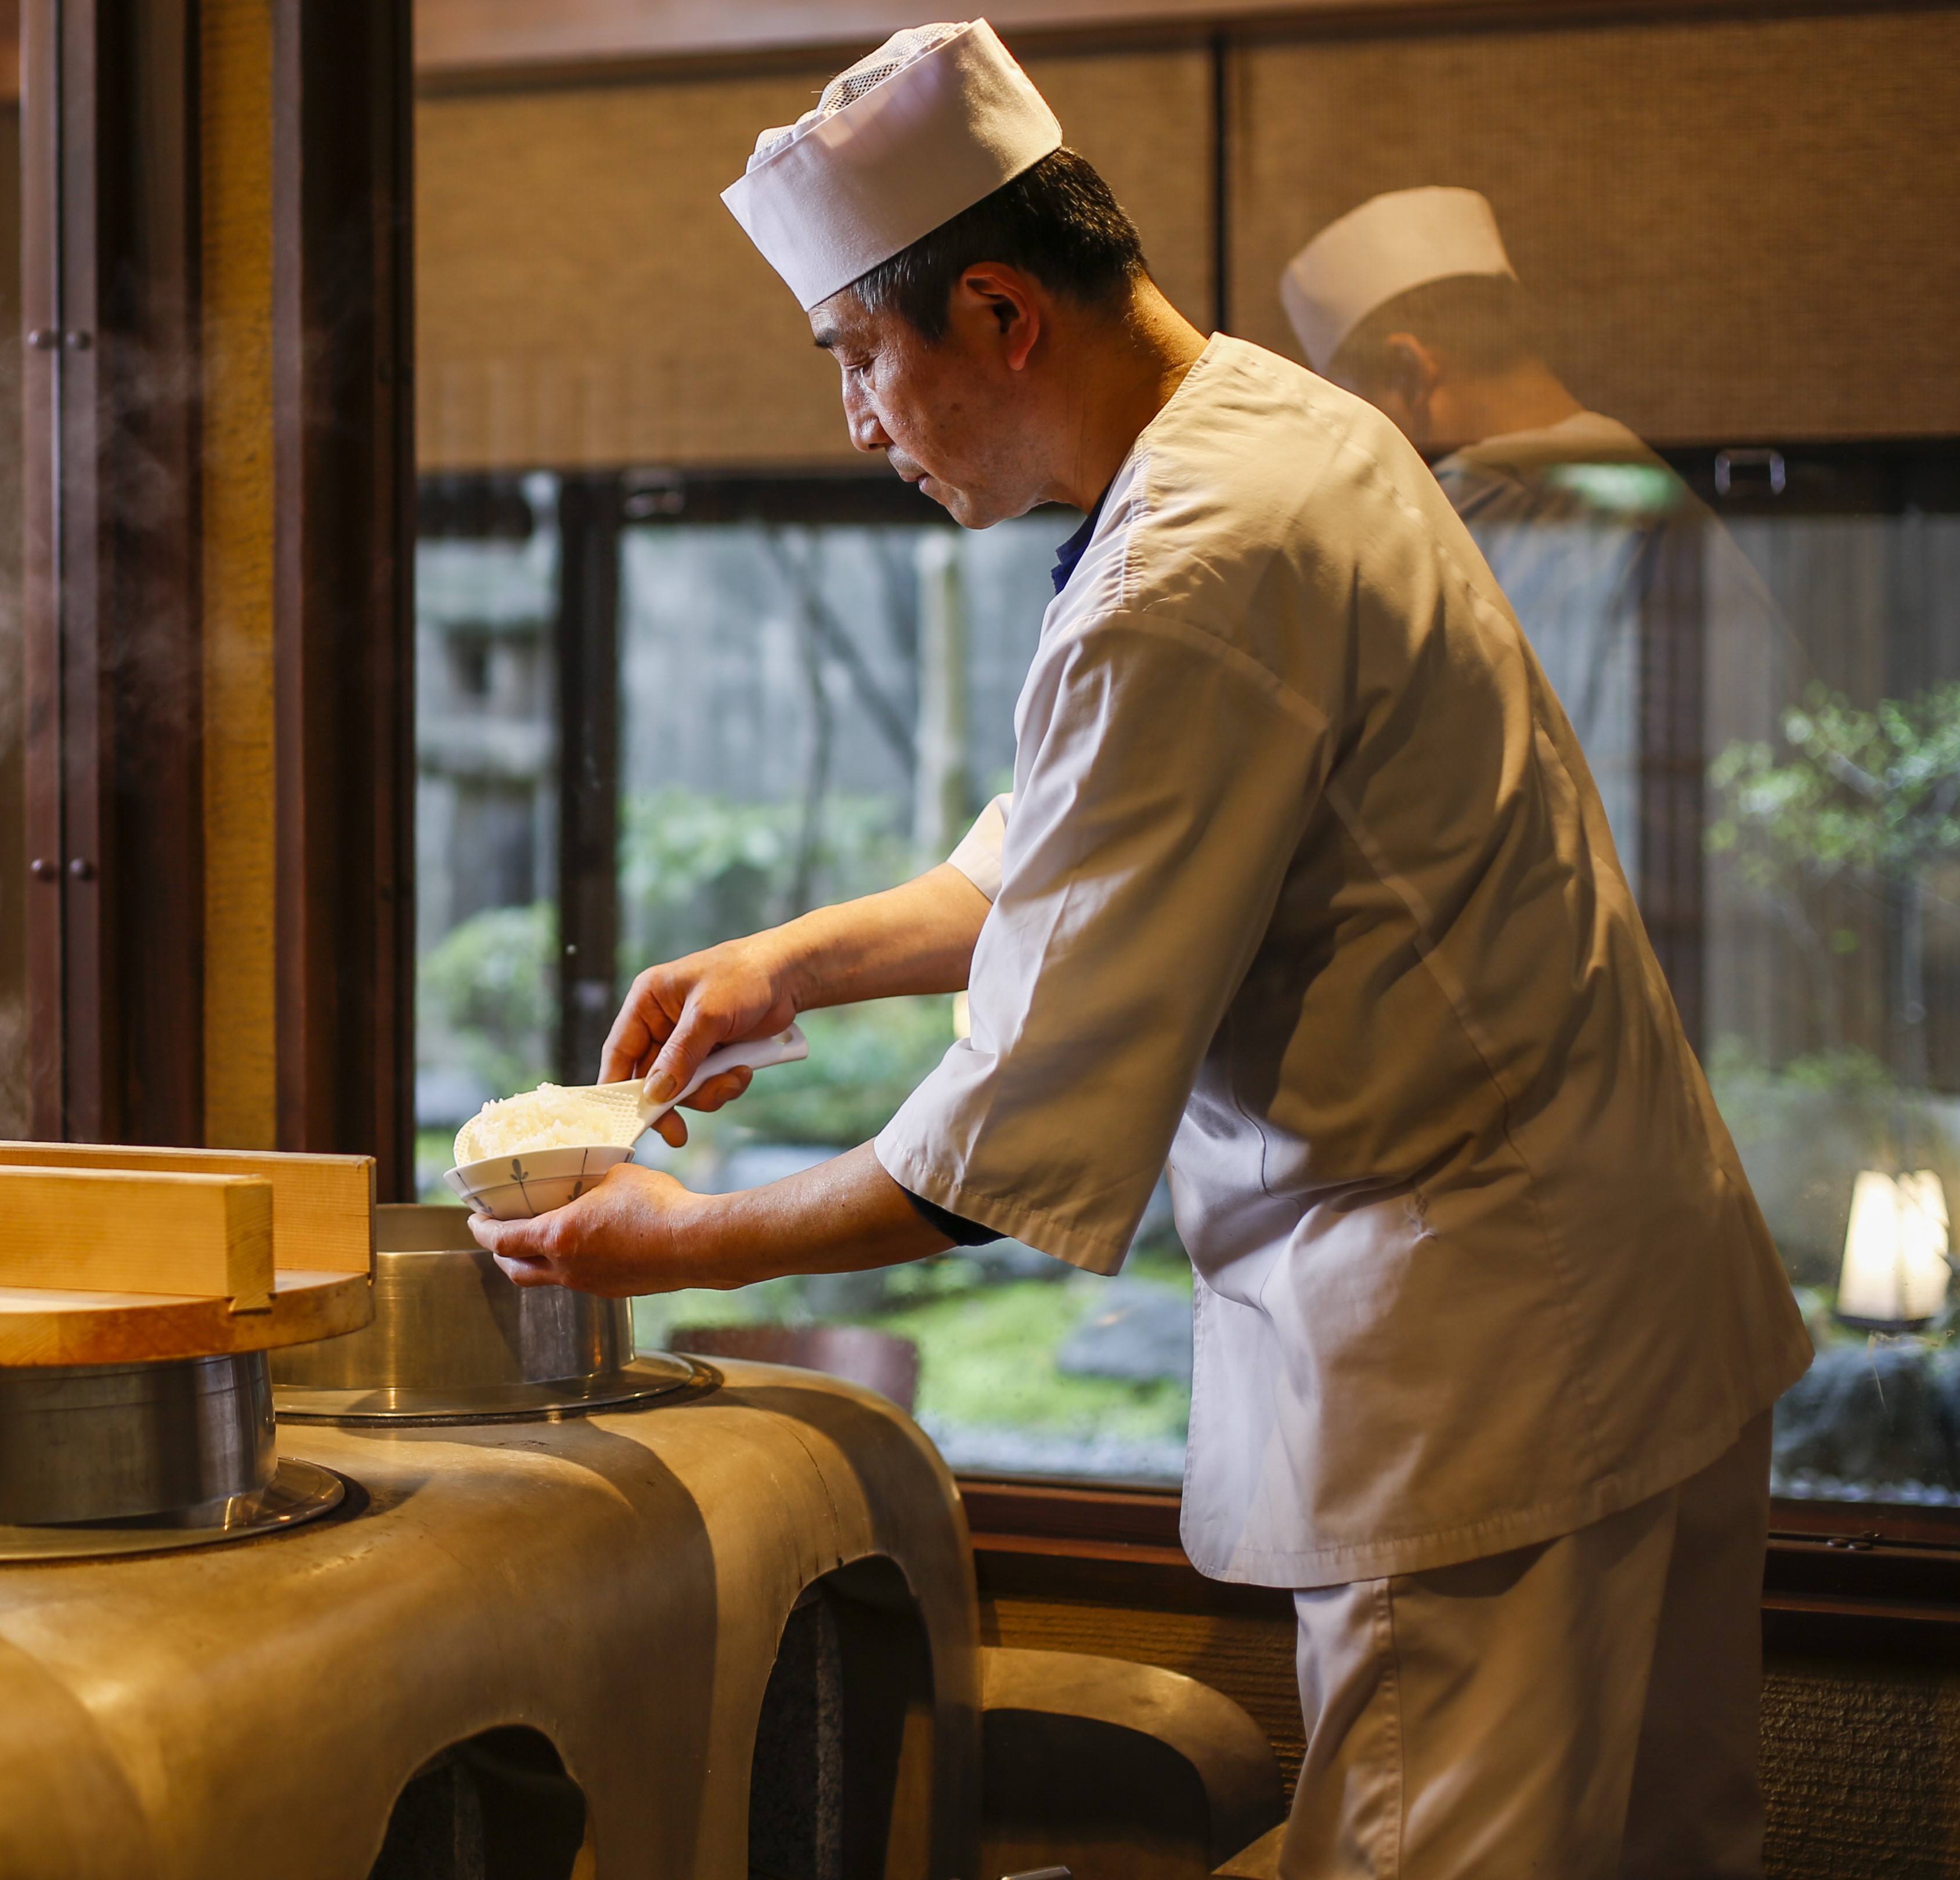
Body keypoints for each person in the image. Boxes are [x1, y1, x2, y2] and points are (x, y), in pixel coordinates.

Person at [464, 23, 1811, 1878]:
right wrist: (794, 962)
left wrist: (674, 1249)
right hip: (1628, 1306)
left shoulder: (1184, 566)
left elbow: (1003, 1139)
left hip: (1481, 1377)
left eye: (862, 353)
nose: (854, 419)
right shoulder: (1271, 429)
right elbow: (1088, 861)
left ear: (1003, 312)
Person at [1281, 187, 1797, 1008]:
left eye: (1357, 411)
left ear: (1409, 373)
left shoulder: (1427, 531)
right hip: (1721, 994)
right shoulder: (1680, 514)